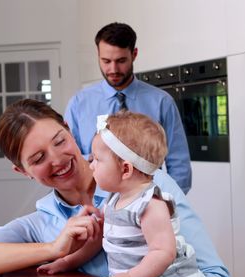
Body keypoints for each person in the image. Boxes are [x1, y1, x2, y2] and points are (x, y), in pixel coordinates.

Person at [0, 99, 231, 277]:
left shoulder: (148, 186)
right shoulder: (42, 223)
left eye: (59, 141)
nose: (57, 160)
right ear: (23, 170)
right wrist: (54, 249)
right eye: (39, 158)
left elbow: (215, 276)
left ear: (69, 130)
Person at [37, 111, 209, 277]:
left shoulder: (150, 204)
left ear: (125, 170)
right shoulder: (114, 199)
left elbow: (163, 252)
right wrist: (66, 263)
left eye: (97, 160)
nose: (90, 166)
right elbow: (96, 244)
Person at [65, 22, 192, 194]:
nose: (113, 69)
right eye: (106, 61)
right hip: (96, 207)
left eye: (121, 61)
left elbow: (179, 163)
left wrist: (167, 203)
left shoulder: (162, 102)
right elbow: (71, 161)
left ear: (134, 54)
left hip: (149, 203)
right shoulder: (79, 104)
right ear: (98, 55)